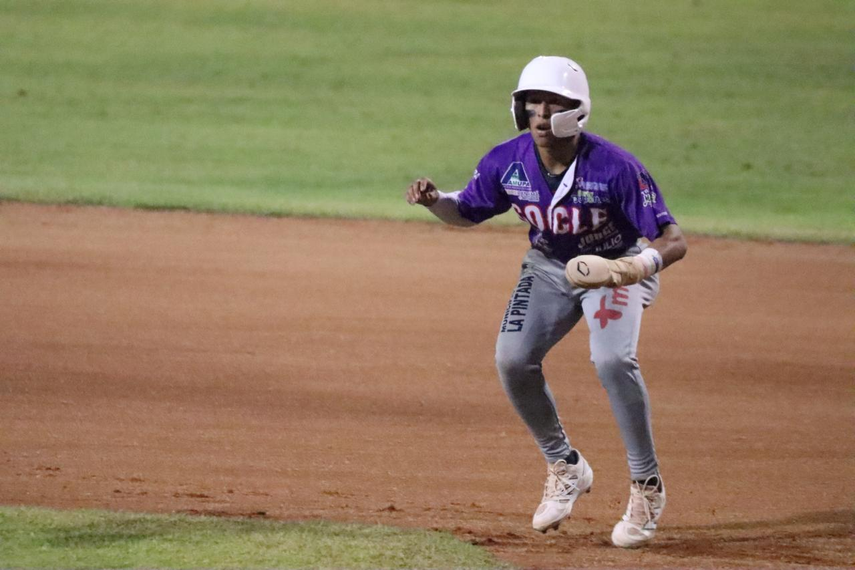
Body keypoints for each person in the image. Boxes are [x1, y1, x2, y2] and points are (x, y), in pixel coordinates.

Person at [405, 56, 688, 548]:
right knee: (512, 359)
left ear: (576, 110)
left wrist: (631, 269)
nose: (539, 113)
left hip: (614, 267)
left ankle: (647, 486)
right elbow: (467, 211)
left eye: (551, 102)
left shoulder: (615, 167)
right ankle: (565, 465)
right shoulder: (507, 161)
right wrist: (434, 201)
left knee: (612, 359)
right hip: (548, 267)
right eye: (531, 102)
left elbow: (672, 239)